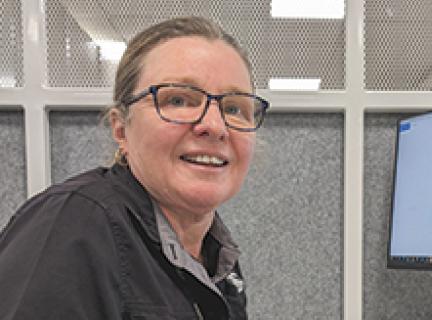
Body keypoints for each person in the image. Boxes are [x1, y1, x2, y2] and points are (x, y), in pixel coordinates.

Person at [0, 16, 269, 320]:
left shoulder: (219, 258)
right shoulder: (73, 229)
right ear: (121, 129)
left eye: (234, 108)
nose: (215, 125)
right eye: (179, 100)